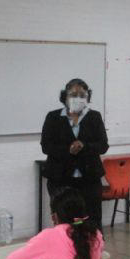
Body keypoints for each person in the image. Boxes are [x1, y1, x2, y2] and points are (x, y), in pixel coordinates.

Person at [41, 78, 109, 228]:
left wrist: (84, 146)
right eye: (73, 94)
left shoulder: (94, 117)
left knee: (90, 219)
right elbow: (46, 146)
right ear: (65, 97)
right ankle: (66, 249)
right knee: (66, 221)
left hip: (89, 179)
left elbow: (103, 145)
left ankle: (92, 248)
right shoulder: (53, 117)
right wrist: (68, 149)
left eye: (82, 95)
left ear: (87, 97)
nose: (78, 98)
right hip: (61, 179)